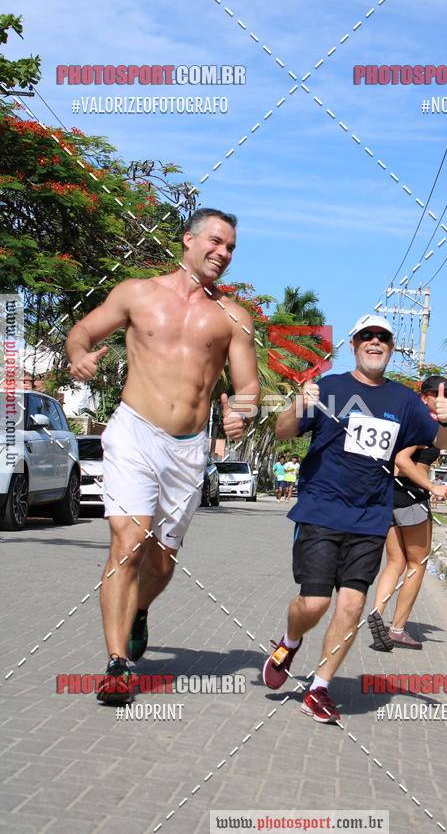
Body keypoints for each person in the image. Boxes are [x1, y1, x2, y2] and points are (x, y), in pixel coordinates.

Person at [66, 208, 260, 703]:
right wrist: (78, 357)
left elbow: (248, 387)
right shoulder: (137, 293)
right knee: (128, 541)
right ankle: (116, 664)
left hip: (189, 447)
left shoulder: (235, 316)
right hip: (134, 432)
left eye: (232, 247)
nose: (224, 253)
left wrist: (242, 411)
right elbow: (83, 332)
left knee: (163, 562)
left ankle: (139, 610)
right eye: (216, 241)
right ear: (188, 240)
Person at [261, 316, 447, 723]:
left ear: (390, 347)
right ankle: (290, 641)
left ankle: (319, 688)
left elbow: (442, 444)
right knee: (314, 604)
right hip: (321, 510)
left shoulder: (403, 400)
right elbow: (282, 433)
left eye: (383, 337)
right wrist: (299, 402)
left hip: (370, 517)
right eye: (367, 336)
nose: (374, 342)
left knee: (351, 605)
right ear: (354, 345)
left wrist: (446, 418)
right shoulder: (330, 388)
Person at [368, 376, 447, 651]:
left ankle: (377, 614)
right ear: (424, 396)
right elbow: (402, 460)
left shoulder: (410, 419)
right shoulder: (423, 420)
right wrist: (432, 487)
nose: (445, 399)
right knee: (418, 563)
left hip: (388, 495)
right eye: (438, 394)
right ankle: (397, 629)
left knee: (395, 562)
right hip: (409, 495)